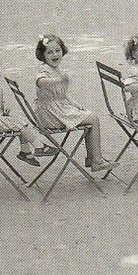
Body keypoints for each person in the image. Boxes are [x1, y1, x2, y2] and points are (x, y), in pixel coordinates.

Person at [33, 34, 115, 175]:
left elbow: (63, 94)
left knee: (88, 116)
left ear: (62, 51)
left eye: (57, 50)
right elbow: (40, 82)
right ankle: (96, 160)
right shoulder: (44, 70)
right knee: (93, 119)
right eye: (49, 52)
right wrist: (58, 80)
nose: (55, 54)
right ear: (43, 55)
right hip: (50, 114)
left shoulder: (57, 70)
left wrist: (75, 104)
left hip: (57, 108)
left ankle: (92, 157)